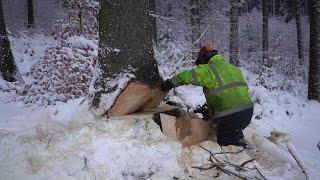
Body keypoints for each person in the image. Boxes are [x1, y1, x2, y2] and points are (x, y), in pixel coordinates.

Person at [160, 43, 254, 147]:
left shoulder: (208, 69)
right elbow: (230, 94)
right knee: (232, 130)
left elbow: (186, 76)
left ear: (204, 57)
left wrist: (169, 83)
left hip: (230, 115)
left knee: (226, 145)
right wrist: (209, 109)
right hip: (247, 112)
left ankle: (235, 154)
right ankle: (238, 139)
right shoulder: (233, 68)